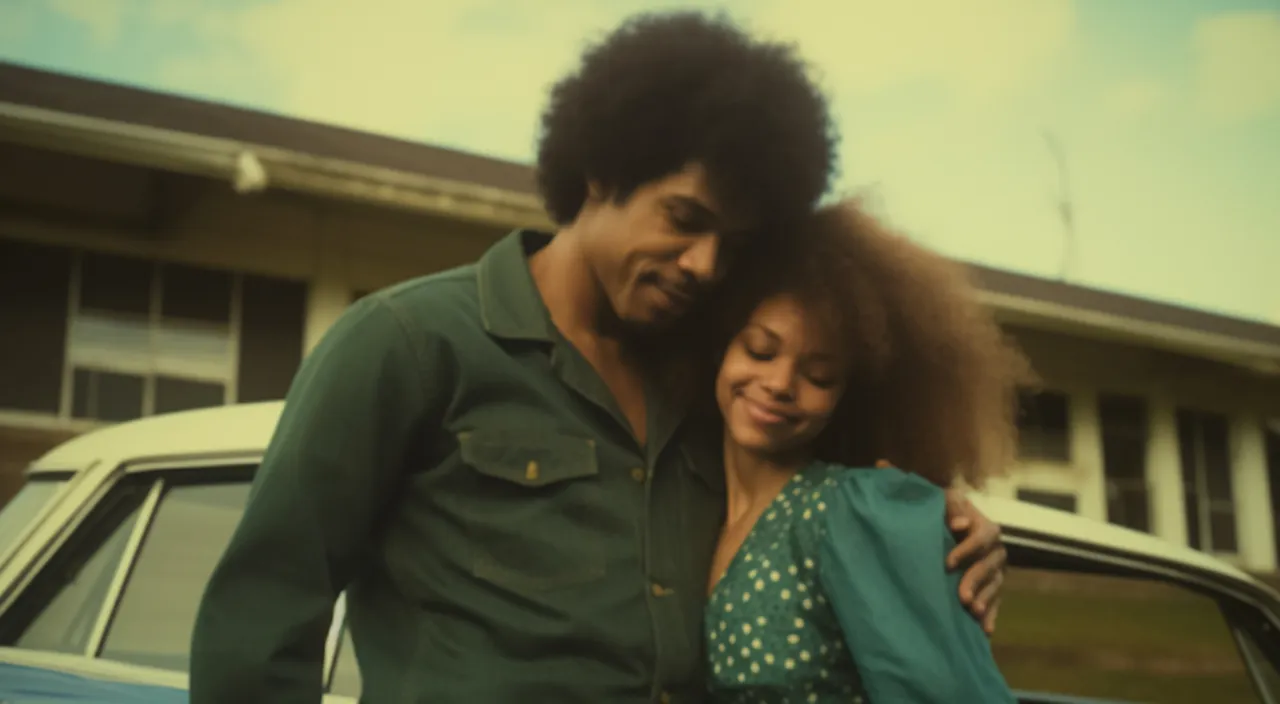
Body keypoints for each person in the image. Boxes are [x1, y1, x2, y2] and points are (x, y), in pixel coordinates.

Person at [189, 11, 1007, 704]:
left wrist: (954, 530)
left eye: (734, 245)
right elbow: (258, 627)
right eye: (683, 217)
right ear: (601, 169)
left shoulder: (710, 383)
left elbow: (830, 511)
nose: (704, 265)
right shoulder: (407, 345)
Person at [698, 200, 1028, 702]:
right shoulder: (685, 500)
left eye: (819, 375)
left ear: (850, 394)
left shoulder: (855, 512)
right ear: (719, 345)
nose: (781, 383)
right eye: (760, 350)